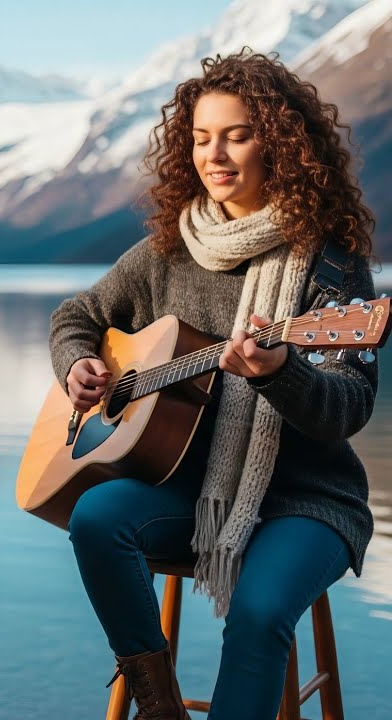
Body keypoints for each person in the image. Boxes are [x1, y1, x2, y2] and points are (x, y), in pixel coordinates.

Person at [50, 51, 378, 719]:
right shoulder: (168, 250)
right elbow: (75, 316)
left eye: (237, 135)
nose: (215, 155)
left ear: (280, 143)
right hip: (189, 489)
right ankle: (158, 704)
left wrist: (282, 372)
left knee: (258, 614)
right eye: (201, 138)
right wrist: (77, 362)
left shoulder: (331, 262)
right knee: (96, 517)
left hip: (306, 499)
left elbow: (349, 406)